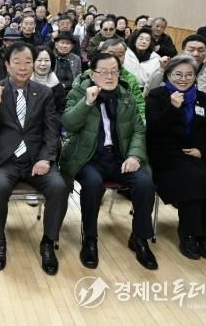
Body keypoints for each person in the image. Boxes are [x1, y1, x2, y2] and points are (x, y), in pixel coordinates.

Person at [61, 53, 157, 270]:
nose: (110, 76)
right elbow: (68, 123)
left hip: (120, 157)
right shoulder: (79, 92)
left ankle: (140, 238)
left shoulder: (126, 95)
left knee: (145, 184)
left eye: (114, 71)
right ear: (92, 74)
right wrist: (87, 102)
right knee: (92, 184)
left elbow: (138, 130)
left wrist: (134, 156)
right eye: (103, 71)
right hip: (88, 157)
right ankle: (90, 239)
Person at [0, 43, 68, 275]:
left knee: (59, 187)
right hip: (3, 160)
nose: (23, 67)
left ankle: (48, 242)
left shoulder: (44, 92)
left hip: (35, 159)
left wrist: (46, 159)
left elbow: (51, 131)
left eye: (28, 62)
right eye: (17, 62)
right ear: (7, 65)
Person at [146, 55, 206, 260]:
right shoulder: (158, 96)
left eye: (189, 75)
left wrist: (202, 150)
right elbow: (153, 131)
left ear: (195, 77)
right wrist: (172, 108)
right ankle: (188, 234)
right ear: (168, 75)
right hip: (168, 156)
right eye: (178, 74)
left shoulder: (202, 98)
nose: (183, 79)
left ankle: (205, 236)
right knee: (194, 178)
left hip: (199, 155)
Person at [144, 34, 206, 98]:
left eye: (201, 50)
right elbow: (148, 93)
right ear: (183, 51)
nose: (196, 54)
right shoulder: (166, 70)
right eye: (191, 50)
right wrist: (162, 70)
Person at [98, 38, 146, 122]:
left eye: (120, 55)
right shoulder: (88, 76)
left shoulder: (130, 78)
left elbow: (139, 104)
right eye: (111, 54)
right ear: (102, 54)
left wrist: (142, 123)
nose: (115, 58)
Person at [32, 46, 66, 114]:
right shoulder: (24, 82)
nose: (43, 64)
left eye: (47, 60)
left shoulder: (56, 84)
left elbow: (61, 109)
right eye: (39, 60)